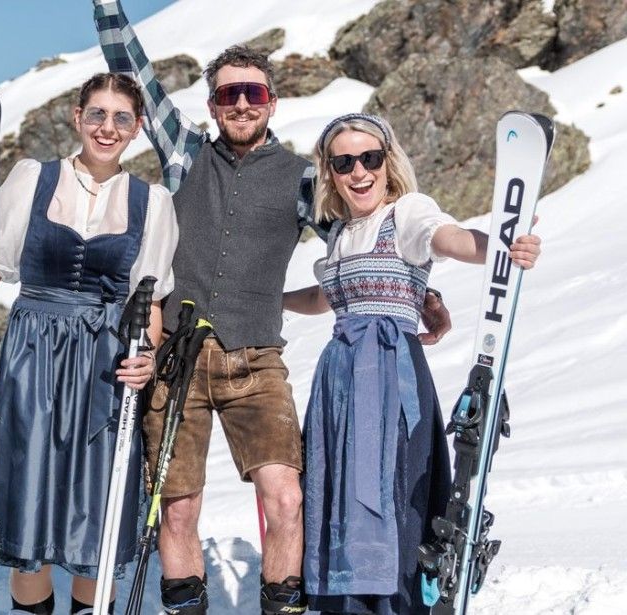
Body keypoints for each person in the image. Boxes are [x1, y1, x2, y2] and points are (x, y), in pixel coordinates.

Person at [90, 3, 453, 614]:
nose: (240, 103)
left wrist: (424, 290)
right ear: (211, 105)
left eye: (251, 91)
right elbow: (134, 69)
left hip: (257, 361)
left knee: (286, 497)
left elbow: (362, 234)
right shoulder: (184, 155)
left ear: (271, 100)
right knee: (178, 506)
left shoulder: (302, 180)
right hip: (178, 360)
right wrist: (107, 8)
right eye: (227, 93)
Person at [281, 113, 541, 615]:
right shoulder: (340, 233)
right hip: (338, 379)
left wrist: (502, 247)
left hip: (387, 375)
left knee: (389, 497)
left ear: (387, 161)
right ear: (330, 172)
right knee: (339, 496)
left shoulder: (407, 213)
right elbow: (326, 296)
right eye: (344, 162)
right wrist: (273, 299)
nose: (359, 172)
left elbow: (452, 239)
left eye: (370, 159)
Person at [0, 72, 178, 615]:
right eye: (96, 114)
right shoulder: (34, 178)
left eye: (121, 118)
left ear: (137, 128)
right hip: (33, 355)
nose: (107, 127)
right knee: (29, 514)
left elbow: (145, 300)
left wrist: (145, 360)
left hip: (105, 365)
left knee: (92, 513)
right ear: (77, 118)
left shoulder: (153, 201)